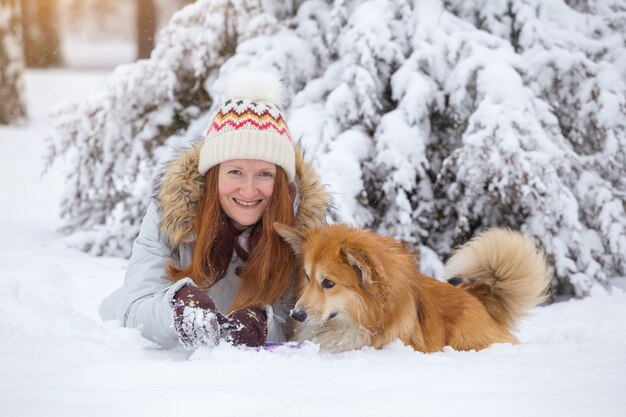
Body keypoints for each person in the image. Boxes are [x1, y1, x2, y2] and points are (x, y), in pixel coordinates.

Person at [99, 69, 330, 349]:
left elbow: (305, 323)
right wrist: (175, 307)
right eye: (234, 172)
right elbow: (133, 308)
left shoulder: (302, 233)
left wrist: (263, 323)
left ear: (281, 182)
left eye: (264, 175)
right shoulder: (171, 217)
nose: (248, 190)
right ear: (213, 175)